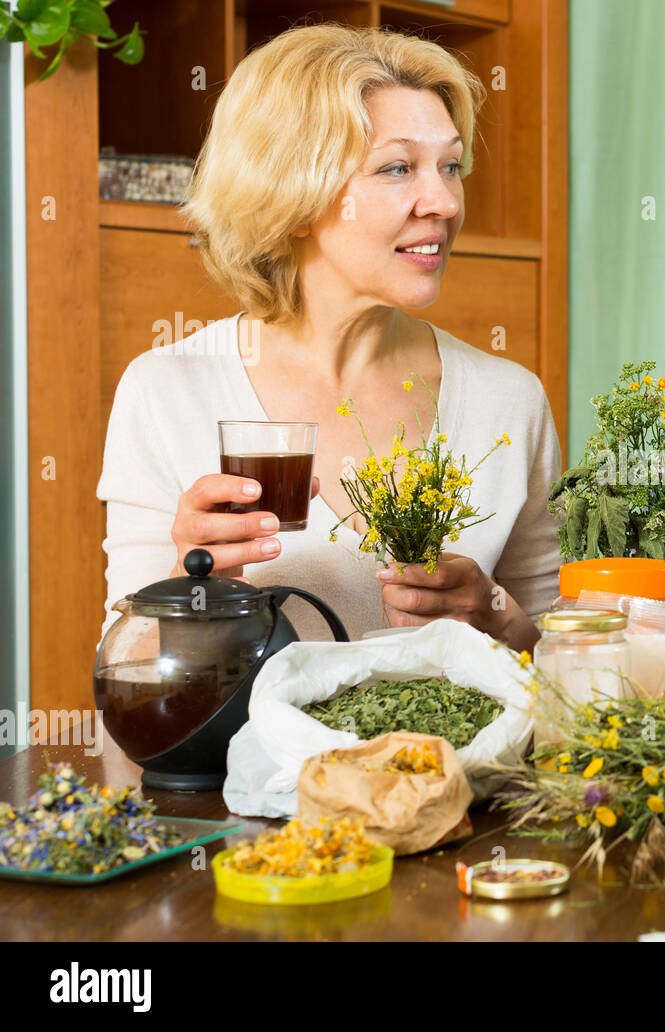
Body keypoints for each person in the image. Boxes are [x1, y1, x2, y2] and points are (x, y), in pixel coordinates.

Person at [97, 25, 560, 651]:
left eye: (450, 166)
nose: (445, 202)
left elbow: (562, 659)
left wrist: (494, 614)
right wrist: (196, 584)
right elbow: (123, 666)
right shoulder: (167, 390)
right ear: (293, 195)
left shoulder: (510, 399)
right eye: (397, 168)